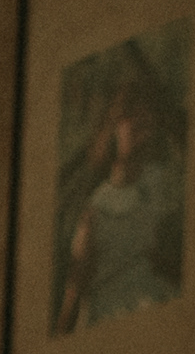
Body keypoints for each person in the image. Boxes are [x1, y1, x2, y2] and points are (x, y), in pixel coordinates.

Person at [58, 81, 181, 331]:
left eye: (146, 118)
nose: (140, 125)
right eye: (131, 116)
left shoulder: (163, 184)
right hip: (111, 317)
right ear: (115, 127)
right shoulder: (96, 207)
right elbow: (76, 285)